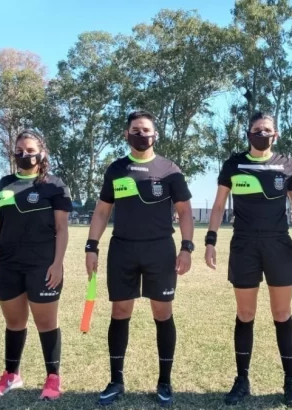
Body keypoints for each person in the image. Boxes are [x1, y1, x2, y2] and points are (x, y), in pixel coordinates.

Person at [86, 111, 194, 407]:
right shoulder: (116, 169)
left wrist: (186, 247)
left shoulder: (169, 170)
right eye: (135, 130)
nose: (141, 134)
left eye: (146, 130)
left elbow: (184, 211)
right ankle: (116, 380)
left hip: (160, 250)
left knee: (162, 314)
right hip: (123, 249)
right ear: (126, 134)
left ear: (155, 134)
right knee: (120, 312)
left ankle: (164, 382)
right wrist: (91, 247)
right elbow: (101, 211)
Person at [204, 112, 292, 408]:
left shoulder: (288, 166)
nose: (261, 133)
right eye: (256, 129)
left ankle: (290, 382)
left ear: (275, 134)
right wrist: (210, 241)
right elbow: (218, 204)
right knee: (245, 314)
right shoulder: (234, 164)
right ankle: (242, 380)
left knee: (281, 313)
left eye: (267, 130)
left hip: (278, 245)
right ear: (248, 133)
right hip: (244, 245)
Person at [0, 130, 72, 401]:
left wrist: (57, 264)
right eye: (19, 150)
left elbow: (62, 228)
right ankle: (12, 374)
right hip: (7, 266)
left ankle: (53, 379)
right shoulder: (5, 184)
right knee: (14, 322)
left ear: (41, 153)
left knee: (46, 322)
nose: (24, 155)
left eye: (30, 150)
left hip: (42, 266)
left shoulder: (54, 185)